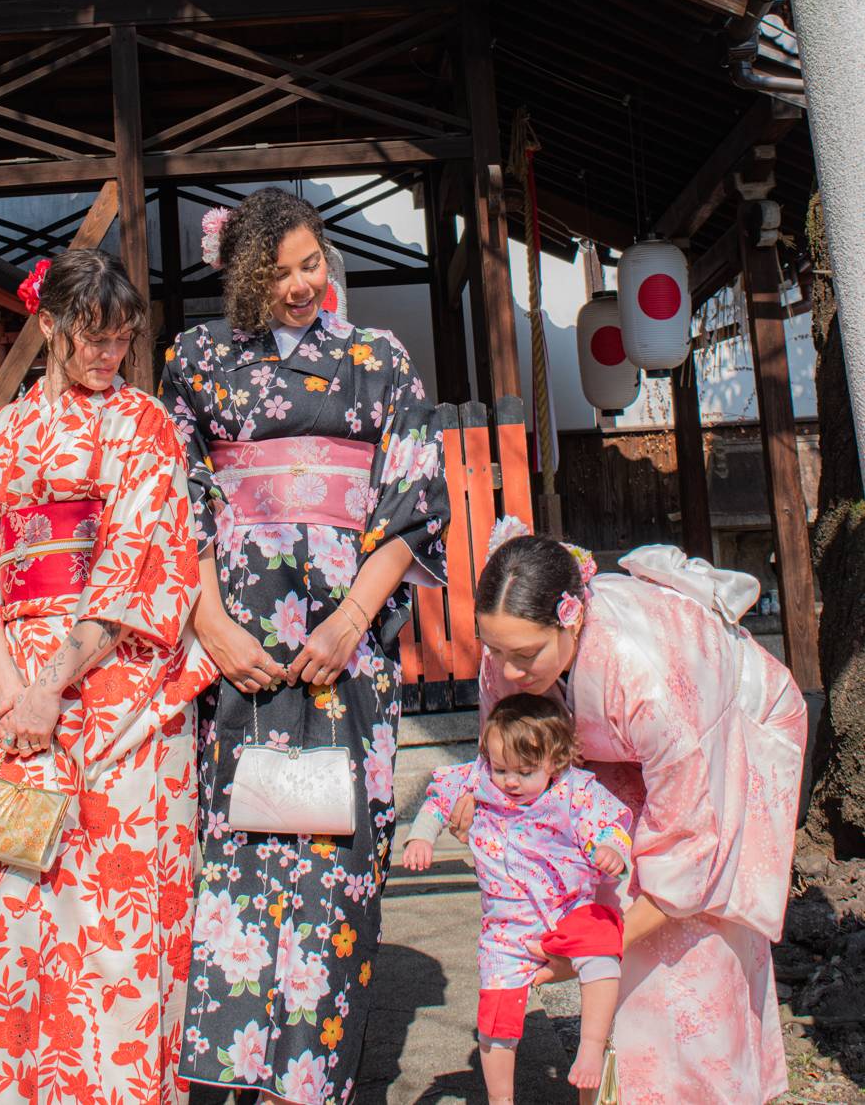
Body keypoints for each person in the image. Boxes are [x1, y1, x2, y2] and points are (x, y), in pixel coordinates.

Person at [158, 187, 449, 1105]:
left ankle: (313, 1076)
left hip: (345, 649)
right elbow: (179, 500)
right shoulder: (198, 359)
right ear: (241, 276)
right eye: (277, 272)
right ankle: (230, 1071)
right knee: (238, 846)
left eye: (310, 263)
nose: (299, 285)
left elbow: (414, 504)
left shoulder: (379, 357)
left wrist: (351, 621)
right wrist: (210, 624)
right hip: (238, 644)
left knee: (336, 853)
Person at [0, 248, 214, 1105]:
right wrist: (12, 690)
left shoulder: (144, 424)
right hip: (20, 686)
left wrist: (49, 683)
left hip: (119, 680)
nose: (111, 356)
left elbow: (138, 560)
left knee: (125, 916)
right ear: (49, 325)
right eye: (93, 338)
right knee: (26, 907)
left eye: (123, 339)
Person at [453, 519, 807, 1105]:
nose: (508, 671)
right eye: (493, 650)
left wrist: (591, 948)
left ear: (570, 618)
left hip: (721, 728)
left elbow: (692, 843)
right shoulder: (512, 656)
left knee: (693, 943)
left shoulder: (647, 676)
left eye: (524, 654)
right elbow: (513, 764)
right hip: (619, 750)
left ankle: (701, 1088)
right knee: (605, 882)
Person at [403, 691, 632, 1103]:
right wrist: (421, 836)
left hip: (569, 909)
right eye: (501, 768)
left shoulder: (575, 792)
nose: (509, 781)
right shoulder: (480, 779)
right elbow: (437, 800)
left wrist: (611, 849)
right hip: (507, 926)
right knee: (496, 1017)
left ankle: (592, 1045)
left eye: (525, 772)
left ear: (556, 762)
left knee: (602, 948)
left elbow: (611, 826)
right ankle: (501, 1099)